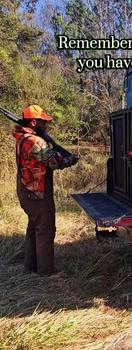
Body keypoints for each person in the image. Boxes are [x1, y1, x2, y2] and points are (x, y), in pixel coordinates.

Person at [12, 105, 78, 275]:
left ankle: (31, 267)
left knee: (34, 227)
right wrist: (69, 160)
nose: (46, 125)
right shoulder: (35, 141)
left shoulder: (23, 137)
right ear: (34, 122)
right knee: (45, 230)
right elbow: (54, 162)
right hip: (37, 192)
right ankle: (47, 272)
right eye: (43, 122)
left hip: (27, 189)